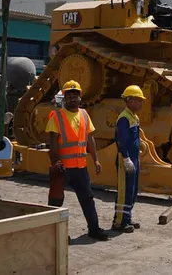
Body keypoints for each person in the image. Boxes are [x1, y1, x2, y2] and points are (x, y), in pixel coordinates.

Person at [46, 80, 108, 241]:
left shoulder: (85, 115)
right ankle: (53, 233)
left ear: (80, 98)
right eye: (69, 95)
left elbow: (90, 139)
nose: (72, 98)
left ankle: (94, 229)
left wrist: (96, 160)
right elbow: (52, 142)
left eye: (75, 95)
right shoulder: (57, 116)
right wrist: (55, 161)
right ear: (64, 98)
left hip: (80, 168)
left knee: (87, 198)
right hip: (63, 168)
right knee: (56, 200)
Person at [112, 85, 146, 233]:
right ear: (129, 100)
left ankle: (127, 217)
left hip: (134, 158)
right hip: (125, 159)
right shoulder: (124, 118)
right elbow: (121, 140)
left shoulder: (134, 117)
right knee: (124, 191)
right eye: (138, 100)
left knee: (132, 190)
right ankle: (119, 222)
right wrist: (126, 158)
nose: (140, 103)